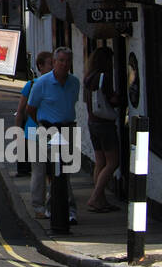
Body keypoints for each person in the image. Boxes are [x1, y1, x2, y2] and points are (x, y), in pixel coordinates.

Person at [26, 46, 80, 227]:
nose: (64, 65)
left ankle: (68, 210)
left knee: (64, 172)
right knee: (41, 170)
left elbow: (71, 104)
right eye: (61, 61)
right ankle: (39, 207)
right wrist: (43, 124)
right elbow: (30, 109)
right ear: (55, 62)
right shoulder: (41, 83)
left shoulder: (74, 83)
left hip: (67, 129)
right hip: (47, 130)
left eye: (67, 61)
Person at [15, 51, 53, 216]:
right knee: (39, 171)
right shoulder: (31, 85)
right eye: (50, 63)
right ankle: (39, 207)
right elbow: (21, 111)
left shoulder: (58, 84)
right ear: (40, 67)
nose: (54, 66)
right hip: (34, 133)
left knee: (55, 172)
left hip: (54, 132)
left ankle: (53, 204)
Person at [84, 46, 121, 213]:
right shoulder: (103, 77)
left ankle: (101, 200)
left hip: (92, 123)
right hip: (104, 124)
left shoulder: (88, 77)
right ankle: (95, 197)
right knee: (113, 162)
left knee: (100, 162)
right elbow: (111, 99)